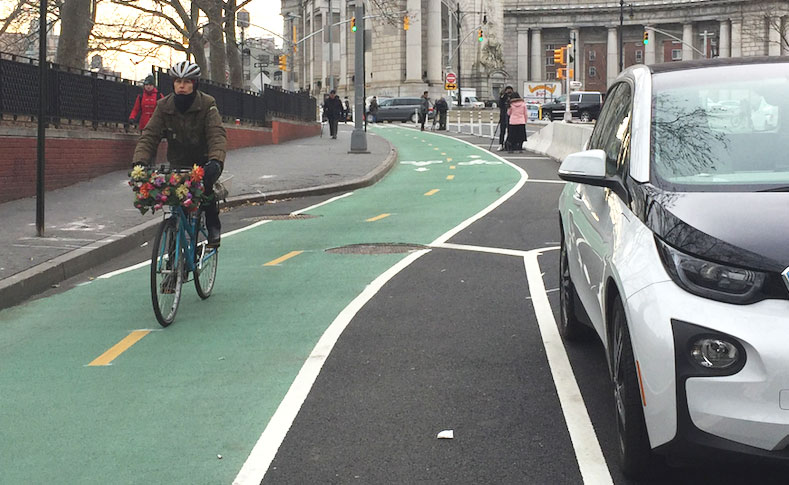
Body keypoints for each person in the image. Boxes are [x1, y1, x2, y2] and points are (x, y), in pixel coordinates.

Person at [132, 60, 227, 247]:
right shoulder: (164, 106)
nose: (182, 86)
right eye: (178, 82)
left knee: (205, 192)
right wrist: (140, 162)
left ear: (195, 84)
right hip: (178, 162)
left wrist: (215, 161)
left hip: (203, 161)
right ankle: (174, 250)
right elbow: (150, 135)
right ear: (173, 84)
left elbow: (217, 134)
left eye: (187, 82)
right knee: (176, 201)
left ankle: (213, 225)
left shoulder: (207, 104)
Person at [497, 85, 514, 151]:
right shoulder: (503, 97)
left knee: (510, 131)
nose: (509, 92)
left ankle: (508, 144)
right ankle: (501, 144)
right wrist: (502, 97)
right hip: (503, 116)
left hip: (511, 117)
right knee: (502, 131)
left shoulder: (513, 97)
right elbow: (500, 105)